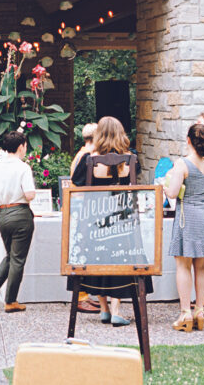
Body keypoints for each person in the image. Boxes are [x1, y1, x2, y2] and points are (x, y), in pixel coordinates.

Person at [66, 116, 149, 327]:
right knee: (120, 260)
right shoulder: (130, 158)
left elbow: (76, 183)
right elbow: (135, 177)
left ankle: (103, 308)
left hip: (97, 219)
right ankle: (115, 310)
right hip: (123, 219)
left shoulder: (89, 159)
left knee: (99, 258)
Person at [163, 123, 204, 333]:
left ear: (189, 140)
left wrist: (165, 186)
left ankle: (185, 313)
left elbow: (172, 193)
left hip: (189, 215)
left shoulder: (182, 164)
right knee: (202, 266)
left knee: (183, 265)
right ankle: (200, 311)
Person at [0, 130, 35, 313]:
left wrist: (1, 206)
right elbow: (30, 195)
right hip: (20, 213)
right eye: (25, 146)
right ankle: (11, 300)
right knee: (17, 259)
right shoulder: (23, 167)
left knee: (11, 256)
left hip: (2, 214)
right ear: (20, 146)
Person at [69, 124, 101, 314]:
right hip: (81, 207)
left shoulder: (82, 154)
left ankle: (86, 295)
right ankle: (81, 297)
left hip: (80, 206)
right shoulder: (86, 157)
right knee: (80, 248)